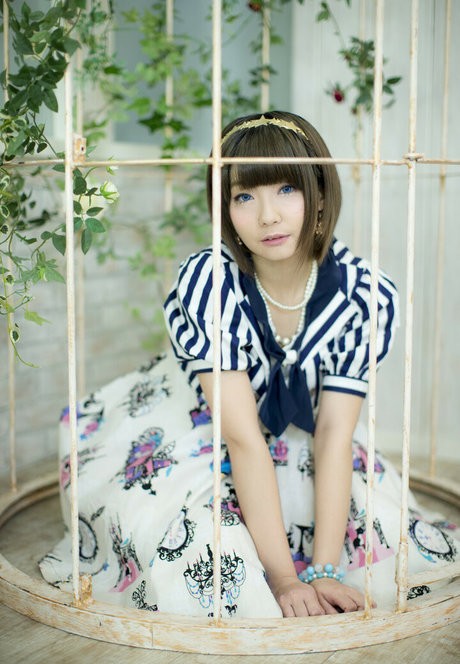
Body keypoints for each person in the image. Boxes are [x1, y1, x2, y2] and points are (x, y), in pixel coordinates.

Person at [40, 111, 459, 619]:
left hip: (301, 430)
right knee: (200, 542)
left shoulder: (363, 295)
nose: (268, 216)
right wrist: (284, 580)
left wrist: (323, 570)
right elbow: (241, 438)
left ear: (319, 195)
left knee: (369, 527)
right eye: (244, 196)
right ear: (224, 207)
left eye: (286, 189)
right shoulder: (209, 283)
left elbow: (333, 433)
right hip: (205, 417)